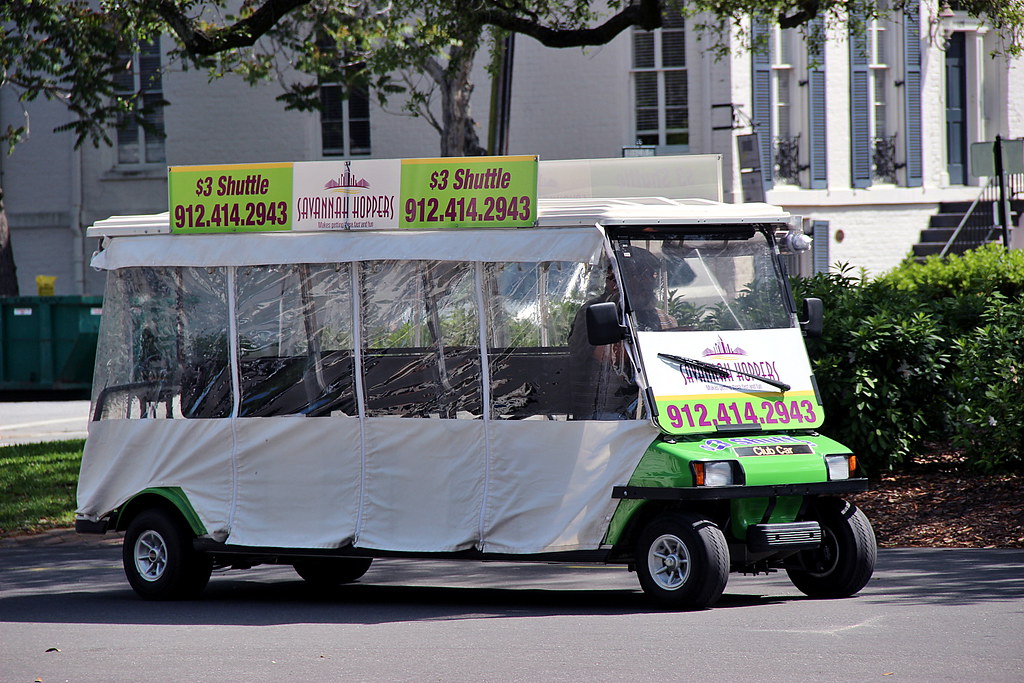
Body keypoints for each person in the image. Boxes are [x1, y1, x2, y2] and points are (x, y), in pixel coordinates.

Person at [567, 248, 674, 420]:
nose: (648, 282)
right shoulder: (594, 311)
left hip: (651, 405)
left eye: (652, 275)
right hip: (604, 409)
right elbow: (605, 355)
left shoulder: (661, 317)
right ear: (618, 277)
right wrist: (662, 347)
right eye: (641, 274)